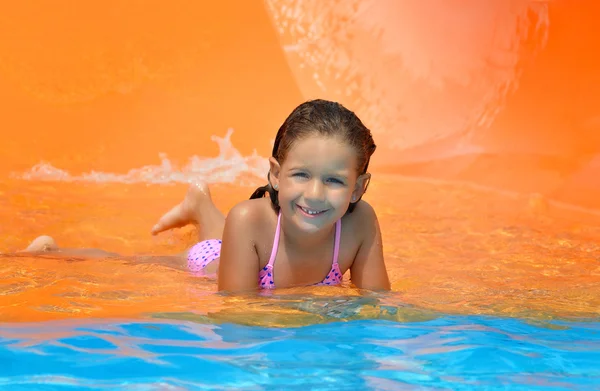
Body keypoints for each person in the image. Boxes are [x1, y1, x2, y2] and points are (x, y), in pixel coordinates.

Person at [23, 99, 391, 292]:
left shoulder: (360, 224)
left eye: (335, 181)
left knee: (224, 233)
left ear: (359, 187)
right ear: (276, 175)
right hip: (212, 264)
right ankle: (52, 253)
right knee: (130, 261)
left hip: (240, 247)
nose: (314, 194)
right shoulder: (248, 219)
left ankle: (200, 203)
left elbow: (377, 304)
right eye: (301, 175)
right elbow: (237, 314)